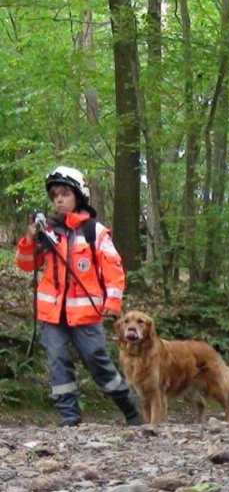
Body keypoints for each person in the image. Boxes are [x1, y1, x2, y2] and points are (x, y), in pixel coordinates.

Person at [15, 166, 141, 427]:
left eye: (64, 193)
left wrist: (112, 302)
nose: (58, 199)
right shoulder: (46, 231)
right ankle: (70, 417)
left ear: (78, 195)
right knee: (58, 361)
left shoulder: (94, 231)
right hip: (52, 313)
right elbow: (26, 264)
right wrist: (30, 239)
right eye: (54, 195)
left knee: (97, 362)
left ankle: (131, 411)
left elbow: (114, 268)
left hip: (86, 313)